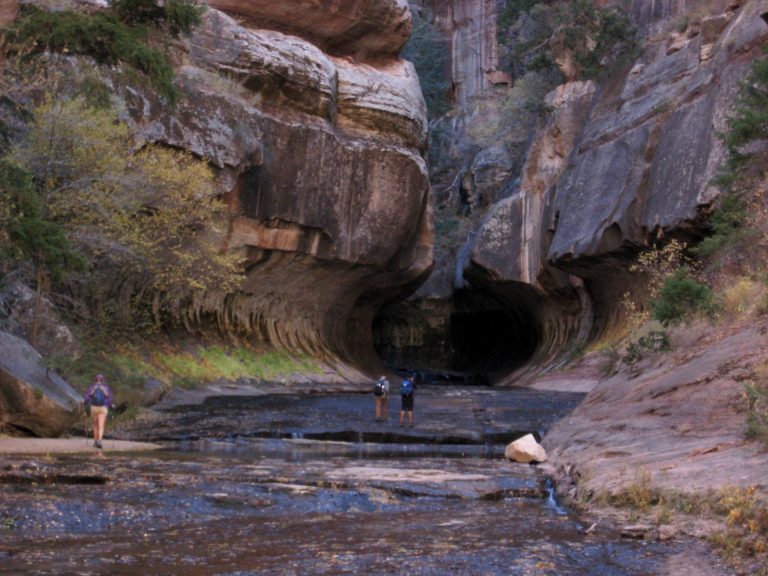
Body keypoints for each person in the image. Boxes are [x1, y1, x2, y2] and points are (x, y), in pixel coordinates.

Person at [83, 374, 114, 449]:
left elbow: (87, 398)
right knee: (101, 425)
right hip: (102, 408)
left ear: (95, 380)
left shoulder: (92, 387)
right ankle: (99, 441)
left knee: (95, 425)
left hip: (93, 408)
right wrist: (111, 405)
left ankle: (95, 441)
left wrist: (85, 403)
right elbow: (109, 399)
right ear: (103, 380)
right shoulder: (105, 387)